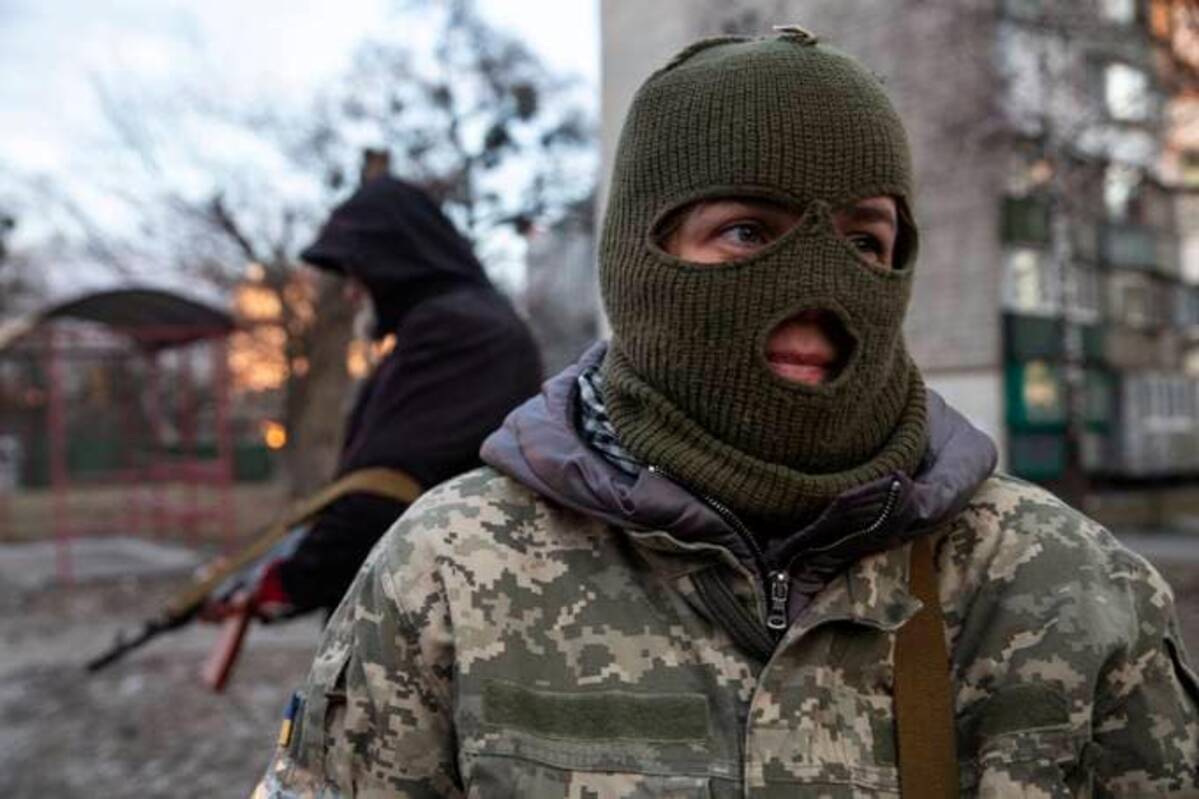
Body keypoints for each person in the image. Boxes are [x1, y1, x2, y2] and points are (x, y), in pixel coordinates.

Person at [254, 31, 1199, 796]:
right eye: (748, 230)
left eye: (865, 241)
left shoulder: (1064, 589)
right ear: (636, 257)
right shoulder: (448, 572)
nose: (824, 286)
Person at [213, 175, 543, 618]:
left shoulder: (457, 333)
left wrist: (283, 583)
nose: (351, 292)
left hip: (436, 626)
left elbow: (381, 492)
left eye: (356, 275)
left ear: (393, 261)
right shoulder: (459, 326)